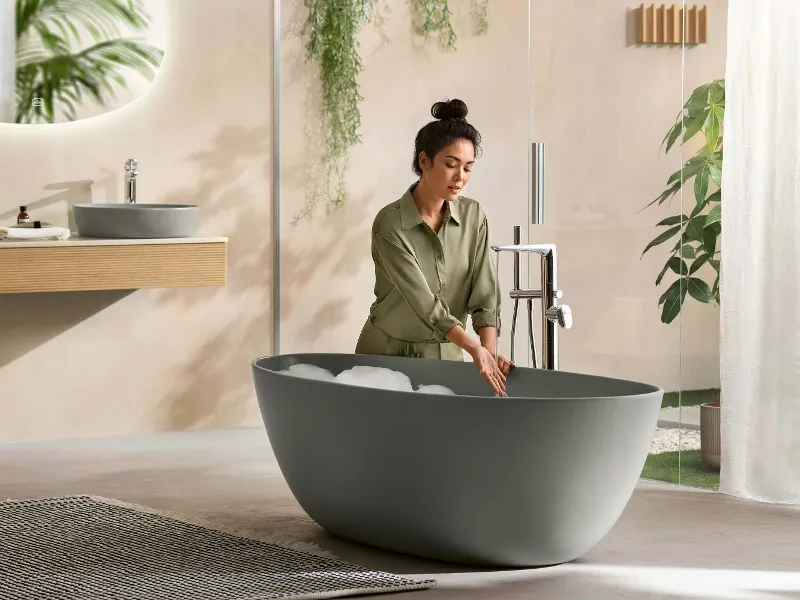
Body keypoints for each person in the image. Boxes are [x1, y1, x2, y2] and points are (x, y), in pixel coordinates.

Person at [355, 98, 513, 396]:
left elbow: (485, 293)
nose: (460, 178)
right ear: (424, 161)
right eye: (451, 165)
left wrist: (489, 355)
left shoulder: (473, 216)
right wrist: (473, 347)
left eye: (468, 168)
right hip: (386, 357)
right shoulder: (391, 224)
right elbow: (423, 301)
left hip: (447, 356)